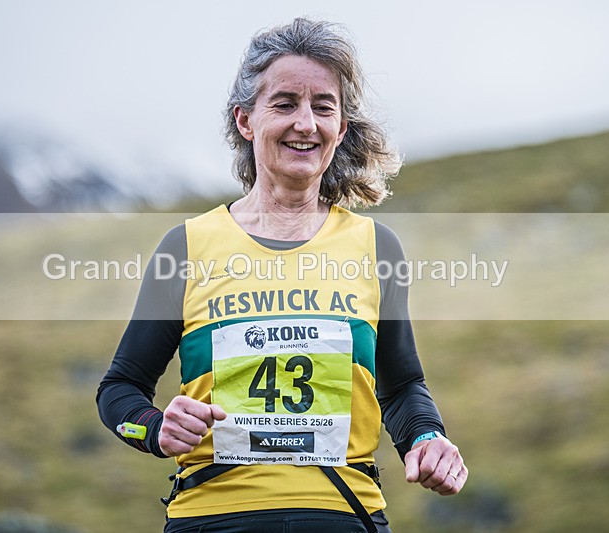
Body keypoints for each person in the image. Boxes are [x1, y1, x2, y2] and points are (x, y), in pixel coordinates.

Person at [97, 17, 467, 533]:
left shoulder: (375, 246)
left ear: (341, 128)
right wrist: (156, 429)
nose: (306, 123)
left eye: (323, 106)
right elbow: (119, 390)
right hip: (213, 517)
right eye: (285, 103)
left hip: (344, 517)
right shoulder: (186, 246)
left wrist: (427, 437)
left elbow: (402, 386)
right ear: (245, 121)